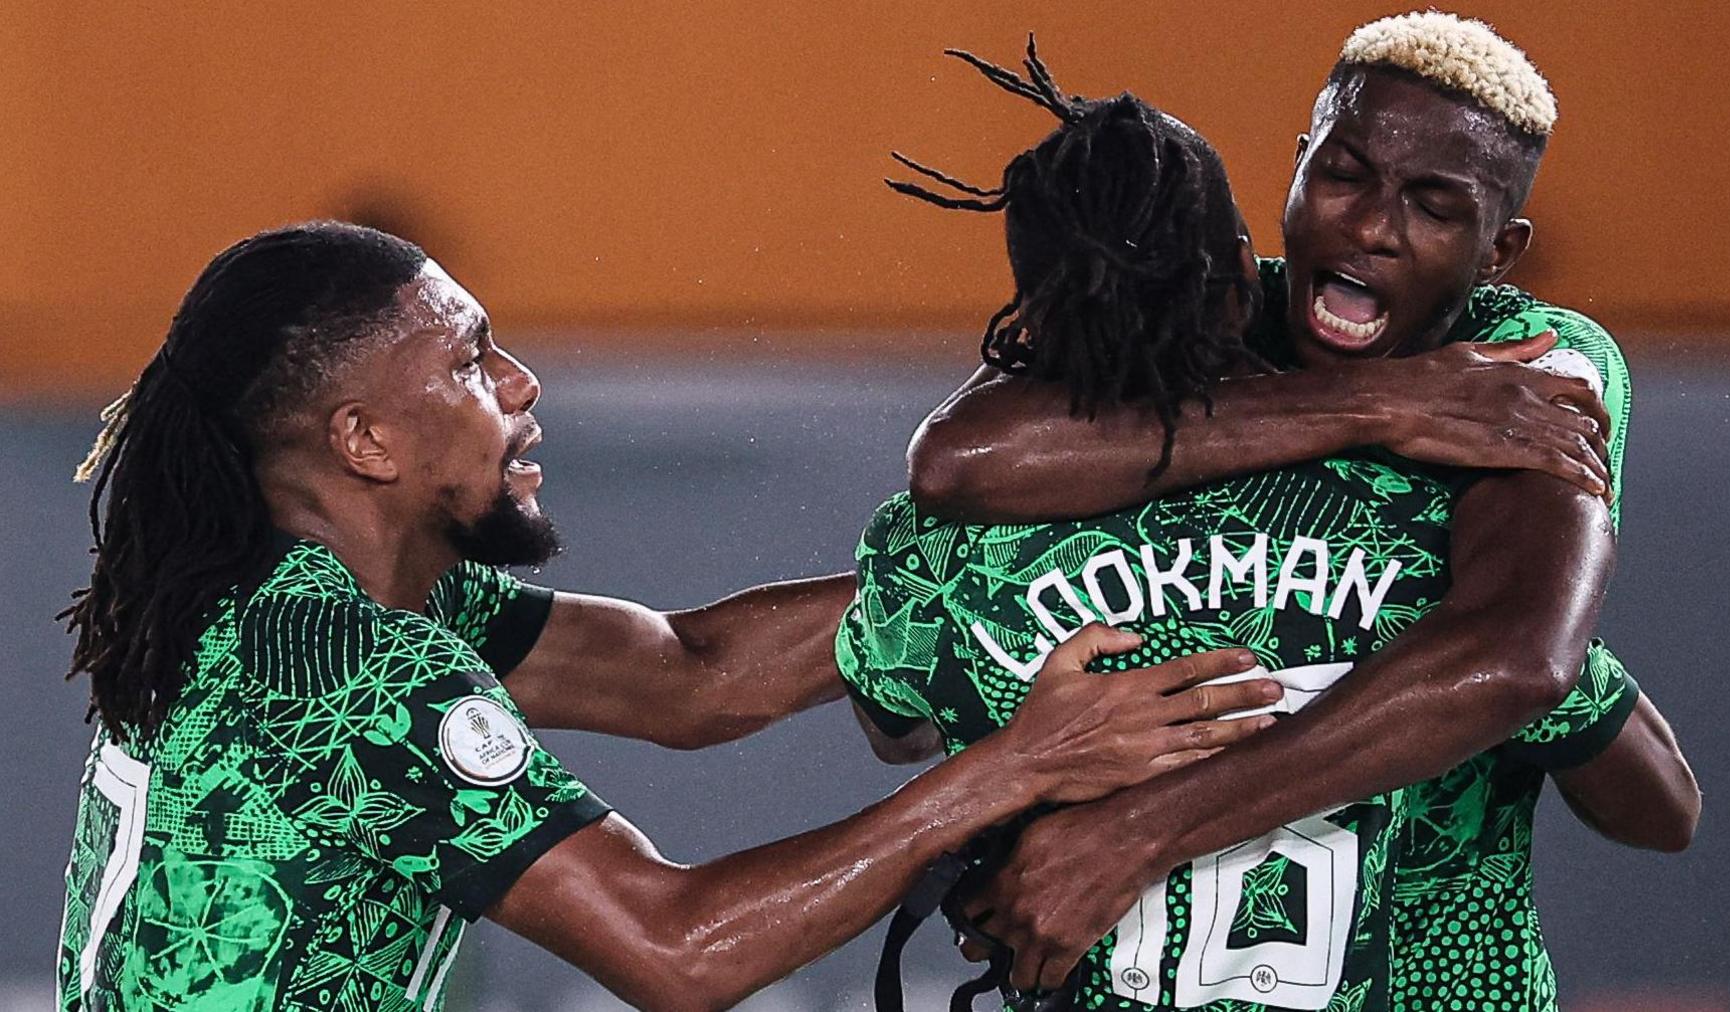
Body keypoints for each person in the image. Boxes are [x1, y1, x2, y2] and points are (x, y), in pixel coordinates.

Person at [52, 221, 1280, 1011]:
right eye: (472, 363)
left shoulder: (291, 596)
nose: (522, 387)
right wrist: (1023, 763)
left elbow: (688, 674)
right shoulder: (351, 665)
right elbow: (678, 950)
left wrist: (1031, 568)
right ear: (363, 439)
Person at [844, 25, 1695, 1010]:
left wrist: (1132, 833)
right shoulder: (1200, 302)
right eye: (1346, 175)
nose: (1375, 226)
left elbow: (1513, 663)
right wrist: (1387, 405)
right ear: (1295, 172)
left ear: (1499, 250)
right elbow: (959, 460)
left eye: (1433, 205)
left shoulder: (1532, 358)